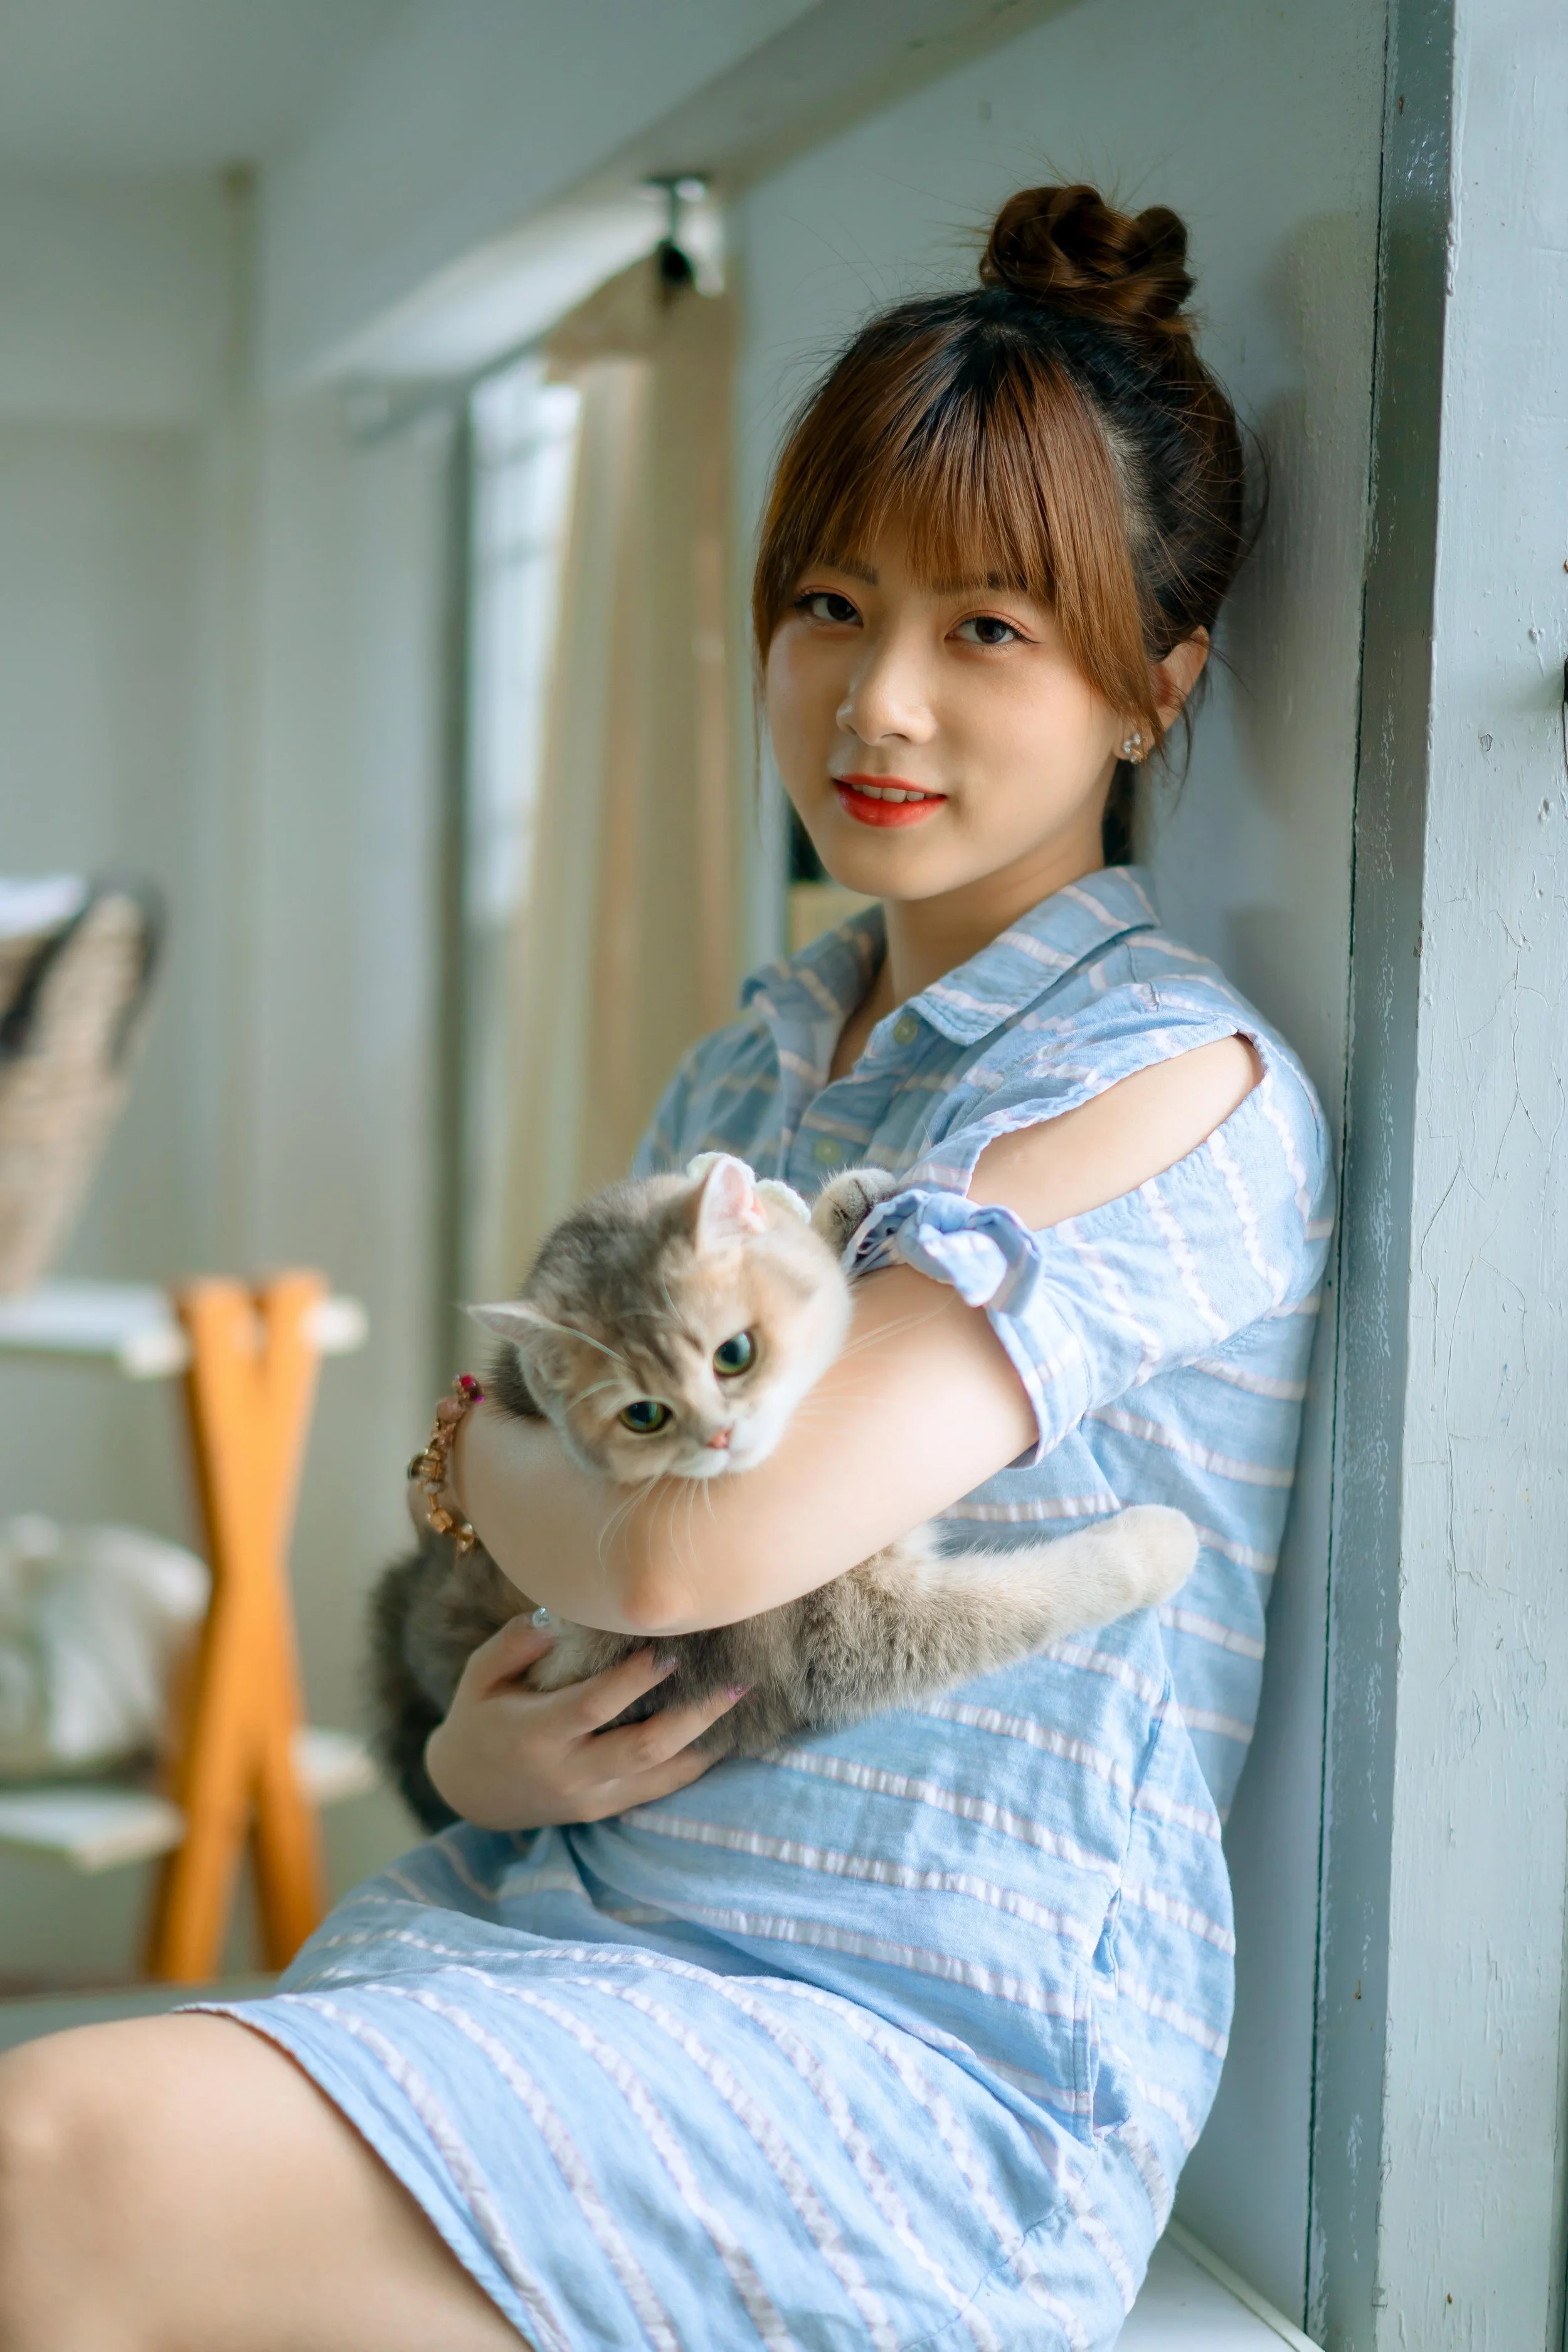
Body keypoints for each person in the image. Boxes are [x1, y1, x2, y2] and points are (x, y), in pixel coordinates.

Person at [0, 184, 1332, 2351]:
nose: (872, 700)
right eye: (828, 601)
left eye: (984, 628)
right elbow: (559, 1564)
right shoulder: (771, 1045)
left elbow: (686, 1536)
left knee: (51, 2165)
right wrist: (475, 1758)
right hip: (564, 1926)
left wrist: (479, 1456)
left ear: (1153, 682)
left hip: (898, 2066)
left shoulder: (1167, 1083)